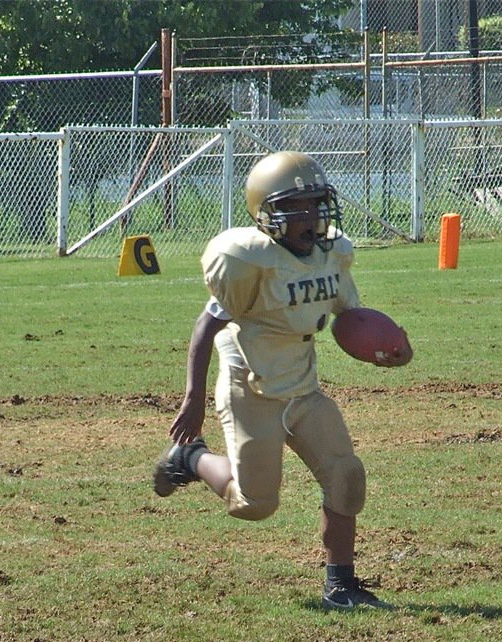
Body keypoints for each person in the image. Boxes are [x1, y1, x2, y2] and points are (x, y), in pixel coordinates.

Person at [153, 151, 412, 610]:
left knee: (346, 476)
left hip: (303, 388)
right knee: (254, 505)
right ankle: (191, 458)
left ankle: (341, 586)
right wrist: (192, 398)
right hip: (251, 390)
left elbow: (350, 319)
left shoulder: (331, 255)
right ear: (267, 214)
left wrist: (387, 349)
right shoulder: (247, 260)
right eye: (298, 208)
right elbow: (205, 327)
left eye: (316, 204)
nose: (311, 218)